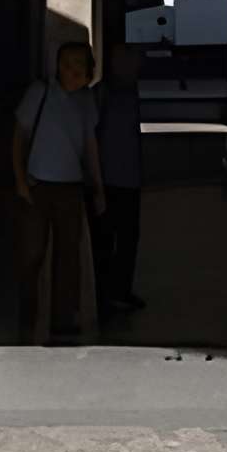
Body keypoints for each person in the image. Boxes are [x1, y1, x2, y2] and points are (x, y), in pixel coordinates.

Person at [13, 40, 105, 342]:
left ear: (89, 71)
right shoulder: (40, 93)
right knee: (32, 253)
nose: (72, 72)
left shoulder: (85, 101)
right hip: (38, 184)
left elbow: (90, 146)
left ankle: (64, 316)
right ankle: (28, 313)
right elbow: (19, 137)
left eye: (79, 66)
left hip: (70, 187)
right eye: (66, 64)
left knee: (69, 255)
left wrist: (98, 187)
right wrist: (20, 181)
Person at [89, 41, 145, 315]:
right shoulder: (103, 94)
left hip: (129, 179)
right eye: (132, 62)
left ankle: (120, 290)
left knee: (128, 239)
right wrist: (95, 182)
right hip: (108, 180)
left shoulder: (131, 93)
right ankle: (104, 296)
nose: (137, 67)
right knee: (105, 241)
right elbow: (92, 139)